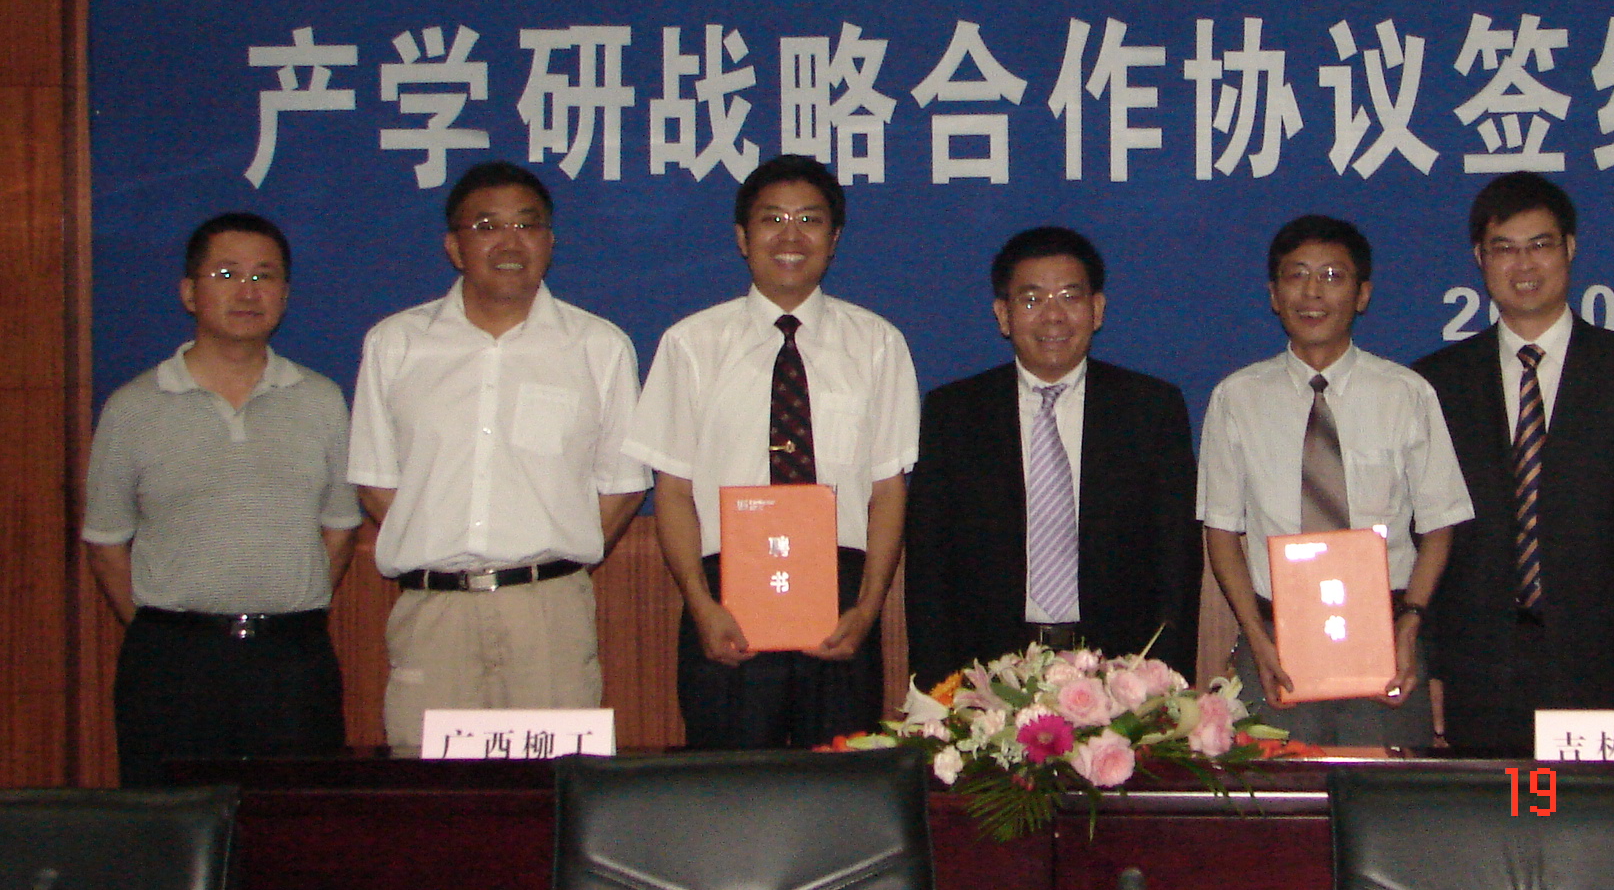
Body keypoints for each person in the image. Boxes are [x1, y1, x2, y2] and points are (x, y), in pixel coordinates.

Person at [348, 161, 647, 754]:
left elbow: (622, 485)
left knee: (555, 786)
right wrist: (443, 544)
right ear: (454, 247)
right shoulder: (396, 344)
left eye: (527, 225)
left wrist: (548, 556)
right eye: (487, 226)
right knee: (431, 790)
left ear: (550, 242)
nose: (510, 242)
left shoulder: (598, 346)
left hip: (548, 613)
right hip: (435, 613)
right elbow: (376, 482)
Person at [626, 154, 918, 748]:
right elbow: (673, 492)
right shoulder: (691, 344)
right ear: (742, 237)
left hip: (840, 597)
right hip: (727, 598)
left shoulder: (878, 345)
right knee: (731, 784)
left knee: (839, 784)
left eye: (809, 220)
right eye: (772, 219)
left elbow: (888, 492)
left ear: (834, 239)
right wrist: (702, 605)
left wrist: (867, 610)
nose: (791, 235)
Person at [1413, 173, 1614, 756]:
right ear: (1480, 258)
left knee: (1601, 815)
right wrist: (1430, 663)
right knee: (1488, 812)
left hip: (1607, 663)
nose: (1524, 264)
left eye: (1540, 244)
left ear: (1569, 248)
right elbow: (1429, 536)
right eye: (1504, 247)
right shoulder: (1435, 383)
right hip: (1476, 667)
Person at [83, 212, 359, 784]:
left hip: (292, 661)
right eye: (227, 274)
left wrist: (280, 608)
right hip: (173, 664)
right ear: (189, 293)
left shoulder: (321, 400)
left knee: (293, 823)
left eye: (264, 276)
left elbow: (339, 530)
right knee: (172, 823)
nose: (247, 291)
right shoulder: (133, 406)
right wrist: (171, 629)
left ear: (285, 294)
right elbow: (106, 544)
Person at [1197, 214, 1472, 747]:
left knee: (1386, 791)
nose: (1312, 292)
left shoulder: (1406, 394)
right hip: (1276, 642)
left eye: (1332, 276)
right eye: (1297, 275)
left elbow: (1440, 526)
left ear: (1362, 294)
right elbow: (1222, 532)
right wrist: (1255, 637)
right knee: (1276, 793)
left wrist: (1410, 623)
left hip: (1385, 637)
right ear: (1274, 295)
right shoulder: (1236, 398)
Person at [906, 226, 1202, 684]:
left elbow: (1176, 563)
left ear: (1097, 309)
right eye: (1031, 300)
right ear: (1003, 315)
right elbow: (929, 566)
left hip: (1121, 670)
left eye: (1069, 297)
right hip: (988, 671)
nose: (1052, 316)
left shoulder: (1150, 409)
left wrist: (1164, 680)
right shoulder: (955, 413)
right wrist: (938, 685)